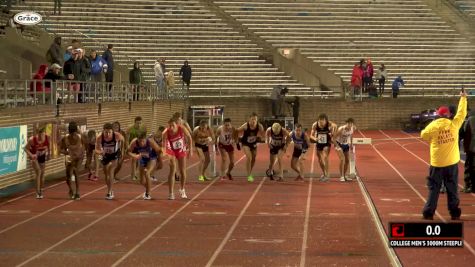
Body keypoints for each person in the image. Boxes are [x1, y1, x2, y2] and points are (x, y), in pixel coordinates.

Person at [420, 91, 467, 220]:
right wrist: (463, 98)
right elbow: (462, 113)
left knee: (433, 189)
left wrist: (432, 138)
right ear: (448, 115)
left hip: (437, 164)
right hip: (452, 164)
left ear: (438, 115)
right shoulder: (454, 125)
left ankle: (428, 213)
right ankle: (454, 213)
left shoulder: (433, 126)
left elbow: (423, 135)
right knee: (452, 189)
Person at [163, 117, 193, 200]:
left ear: (176, 125)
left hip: (180, 150)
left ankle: (182, 189)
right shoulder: (165, 132)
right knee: (172, 170)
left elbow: (190, 138)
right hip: (171, 150)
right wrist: (165, 152)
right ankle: (171, 193)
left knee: (182, 171)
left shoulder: (181, 128)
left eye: (173, 126)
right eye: (169, 126)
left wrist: (190, 150)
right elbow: (163, 143)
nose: (171, 128)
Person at [128, 131, 161, 200]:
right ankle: (148, 189)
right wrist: (134, 156)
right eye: (139, 141)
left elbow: (158, 150)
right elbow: (128, 151)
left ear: (146, 139)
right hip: (142, 159)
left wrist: (160, 161)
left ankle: (148, 193)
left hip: (152, 158)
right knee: (141, 181)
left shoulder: (151, 142)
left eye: (143, 141)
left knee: (147, 173)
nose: (141, 143)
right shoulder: (134, 142)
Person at [96, 123, 125, 200]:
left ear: (112, 131)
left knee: (111, 170)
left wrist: (121, 150)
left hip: (114, 154)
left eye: (109, 132)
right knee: (106, 173)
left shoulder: (117, 135)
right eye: (106, 132)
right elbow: (96, 150)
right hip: (105, 155)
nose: (108, 134)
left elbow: (123, 140)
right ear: (103, 131)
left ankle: (109, 192)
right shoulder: (99, 137)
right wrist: (101, 152)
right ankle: (110, 189)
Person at [60, 121, 85, 200]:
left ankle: (77, 192)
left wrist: (81, 152)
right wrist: (66, 152)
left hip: (79, 157)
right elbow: (60, 149)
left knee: (76, 171)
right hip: (70, 158)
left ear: (76, 132)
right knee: (68, 177)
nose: (74, 136)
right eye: (72, 134)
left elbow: (85, 146)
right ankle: (71, 189)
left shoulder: (80, 137)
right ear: (69, 133)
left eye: (75, 134)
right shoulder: (65, 138)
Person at [237, 112, 265, 182]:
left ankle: (249, 171)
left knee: (253, 158)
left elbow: (263, 135)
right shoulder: (245, 126)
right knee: (249, 157)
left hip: (253, 144)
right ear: (249, 119)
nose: (253, 121)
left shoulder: (260, 126)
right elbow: (237, 131)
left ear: (257, 120)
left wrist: (261, 138)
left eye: (255, 119)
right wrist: (237, 141)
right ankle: (249, 175)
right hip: (245, 143)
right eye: (252, 119)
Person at [24, 127, 50, 199]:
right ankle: (38, 192)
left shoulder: (47, 138)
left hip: (42, 156)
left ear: (44, 134)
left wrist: (48, 154)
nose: (40, 139)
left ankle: (41, 190)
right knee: (38, 172)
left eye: (42, 136)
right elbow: (25, 148)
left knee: (42, 174)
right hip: (34, 157)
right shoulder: (32, 140)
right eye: (39, 136)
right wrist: (31, 155)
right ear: (37, 134)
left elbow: (48, 146)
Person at [310, 113, 337, 181]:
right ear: (318, 121)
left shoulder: (329, 123)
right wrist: (315, 139)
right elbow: (311, 135)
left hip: (327, 143)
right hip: (319, 143)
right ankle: (324, 173)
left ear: (325, 121)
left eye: (323, 121)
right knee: (319, 159)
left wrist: (333, 134)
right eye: (320, 121)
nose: (322, 123)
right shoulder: (315, 125)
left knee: (325, 156)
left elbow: (336, 126)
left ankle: (327, 175)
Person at [172, 112, 192, 181]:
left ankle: (179, 173)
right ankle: (175, 173)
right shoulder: (171, 124)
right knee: (173, 160)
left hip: (182, 143)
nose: (178, 120)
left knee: (181, 162)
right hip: (173, 145)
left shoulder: (184, 123)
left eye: (179, 118)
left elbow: (190, 133)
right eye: (176, 119)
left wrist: (190, 148)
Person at [127, 116, 146, 181]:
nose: (139, 124)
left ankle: (136, 173)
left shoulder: (143, 129)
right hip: (132, 145)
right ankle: (133, 175)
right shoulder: (130, 128)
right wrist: (127, 146)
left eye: (140, 123)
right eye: (137, 123)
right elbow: (127, 138)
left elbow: (144, 139)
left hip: (139, 145)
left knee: (139, 160)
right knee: (134, 160)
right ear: (134, 123)